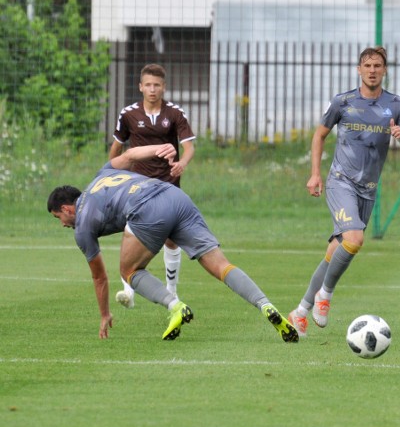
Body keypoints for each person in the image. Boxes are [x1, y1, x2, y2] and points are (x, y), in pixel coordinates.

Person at [47, 143, 298, 343]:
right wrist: (161, 147)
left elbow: (99, 278)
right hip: (174, 196)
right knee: (221, 265)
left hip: (146, 208)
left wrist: (104, 314)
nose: (62, 224)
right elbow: (132, 154)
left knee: (129, 271)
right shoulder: (103, 173)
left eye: (59, 217)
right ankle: (265, 305)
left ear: (67, 208)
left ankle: (175, 306)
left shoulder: (81, 226)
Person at [286, 46, 400, 337]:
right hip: (340, 181)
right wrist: (315, 174)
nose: (372, 70)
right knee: (354, 239)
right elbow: (319, 135)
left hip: (368, 190)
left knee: (336, 251)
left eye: (377, 65)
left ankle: (300, 311)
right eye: (367, 65)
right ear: (359, 69)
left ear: (384, 70)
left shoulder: (395, 105)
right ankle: (325, 296)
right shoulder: (342, 102)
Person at [109, 63, 196, 309]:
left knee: (171, 239)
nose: (152, 89)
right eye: (148, 84)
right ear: (140, 87)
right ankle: (128, 290)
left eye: (157, 85)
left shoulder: (175, 114)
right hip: (139, 186)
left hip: (168, 185)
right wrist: (111, 172)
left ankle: (172, 290)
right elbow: (117, 147)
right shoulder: (128, 114)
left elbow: (189, 146)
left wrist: (182, 162)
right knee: (130, 233)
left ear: (164, 87)